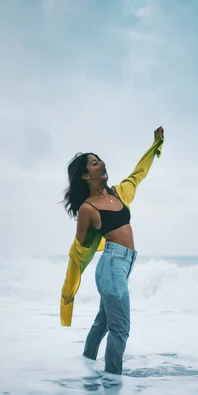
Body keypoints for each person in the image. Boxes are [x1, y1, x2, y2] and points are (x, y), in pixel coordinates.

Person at [61, 126, 164, 375]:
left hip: (126, 263)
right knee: (121, 328)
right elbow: (81, 248)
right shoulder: (87, 208)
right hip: (111, 265)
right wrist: (70, 284)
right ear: (85, 176)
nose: (101, 164)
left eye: (99, 160)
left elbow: (137, 175)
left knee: (104, 322)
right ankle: (112, 384)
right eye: (94, 164)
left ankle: (85, 366)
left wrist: (155, 145)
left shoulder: (117, 194)